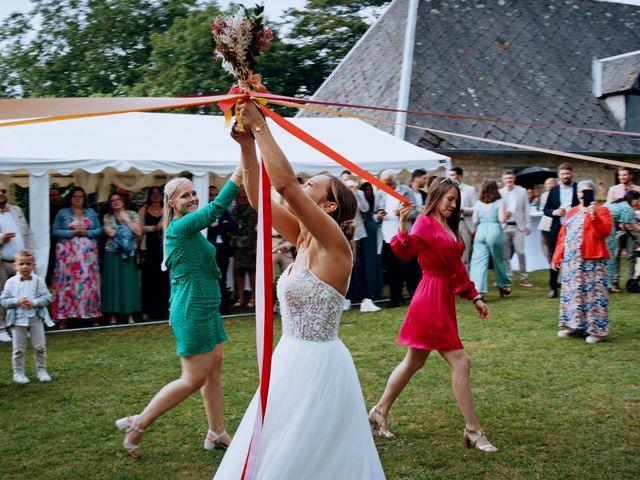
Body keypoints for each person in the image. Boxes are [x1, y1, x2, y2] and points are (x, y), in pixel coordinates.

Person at [213, 100, 385, 479]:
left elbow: (285, 186)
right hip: (289, 357)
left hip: (320, 366)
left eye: (313, 185)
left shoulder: (335, 243)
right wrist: (245, 144)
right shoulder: (304, 237)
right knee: (280, 445)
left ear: (327, 204)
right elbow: (261, 199)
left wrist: (262, 128)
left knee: (309, 454)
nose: (303, 185)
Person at [115, 171, 242, 457]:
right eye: (185, 195)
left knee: (214, 370)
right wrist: (238, 174)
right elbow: (216, 209)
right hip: (192, 310)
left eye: (193, 193)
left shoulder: (188, 230)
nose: (193, 198)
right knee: (193, 378)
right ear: (171, 202)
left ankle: (217, 431)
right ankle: (139, 423)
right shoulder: (180, 228)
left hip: (207, 307)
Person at [368, 177, 496, 453]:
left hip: (441, 297)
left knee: (413, 362)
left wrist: (474, 296)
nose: (453, 204)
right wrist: (403, 224)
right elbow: (404, 251)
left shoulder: (449, 226)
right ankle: (473, 430)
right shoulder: (425, 222)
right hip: (430, 298)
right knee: (461, 362)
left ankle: (379, 411)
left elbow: (457, 268)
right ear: (436, 197)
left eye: (455, 200)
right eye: (449, 198)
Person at [552, 180, 612, 344]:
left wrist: (593, 216)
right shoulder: (571, 212)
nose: (581, 195)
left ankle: (596, 330)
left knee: (594, 296)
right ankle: (574, 325)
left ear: (592, 193)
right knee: (574, 294)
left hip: (593, 261)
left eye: (585, 192)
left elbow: (605, 232)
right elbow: (563, 236)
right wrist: (557, 256)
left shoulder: (602, 210)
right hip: (572, 262)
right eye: (579, 191)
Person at [0, 249, 54, 383]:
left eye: (28, 264)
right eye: (22, 264)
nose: (25, 267)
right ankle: (18, 373)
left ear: (34, 265)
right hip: (18, 320)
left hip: (35, 319)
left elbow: (48, 298)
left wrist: (35, 302)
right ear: (15, 265)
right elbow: (4, 300)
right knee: (18, 349)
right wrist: (17, 301)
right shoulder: (11, 282)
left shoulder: (39, 281)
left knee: (40, 347)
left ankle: (41, 371)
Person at [51, 187, 102, 328]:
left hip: (87, 256)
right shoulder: (63, 213)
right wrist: (72, 232)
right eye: (75, 196)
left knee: (88, 283)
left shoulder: (90, 212)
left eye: (81, 196)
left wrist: (87, 233)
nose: (78, 198)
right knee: (67, 284)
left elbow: (99, 229)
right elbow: (55, 231)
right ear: (70, 198)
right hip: (67, 256)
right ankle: (64, 317)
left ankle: (91, 315)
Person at [376, 169, 417, 308]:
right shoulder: (380, 194)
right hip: (387, 237)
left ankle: (414, 296)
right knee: (391, 269)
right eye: (384, 183)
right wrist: (378, 217)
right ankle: (395, 298)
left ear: (395, 180)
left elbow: (415, 211)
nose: (386, 186)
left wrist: (402, 214)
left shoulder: (406, 191)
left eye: (389, 183)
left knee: (408, 268)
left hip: (404, 236)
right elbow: (373, 213)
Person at [0, 182, 34, 343]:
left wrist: (30, 254)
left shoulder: (16, 210)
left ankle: (20, 326)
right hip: (2, 262)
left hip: (21, 263)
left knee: (23, 293)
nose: (1, 193)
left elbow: (26, 233)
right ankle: (1, 328)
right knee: (3, 295)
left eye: (3, 191)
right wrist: (1, 238)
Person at [102, 192, 142, 325]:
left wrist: (126, 221)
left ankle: (129, 314)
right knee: (113, 283)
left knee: (128, 283)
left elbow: (138, 232)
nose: (115, 202)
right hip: (112, 253)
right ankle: (113, 315)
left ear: (123, 201)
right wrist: (126, 230)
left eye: (117, 199)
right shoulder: (107, 217)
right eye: (112, 200)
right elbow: (110, 233)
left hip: (129, 253)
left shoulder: (132, 214)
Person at [469, 180, 511, 299]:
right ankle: (503, 286)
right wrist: (507, 215)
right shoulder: (500, 202)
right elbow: (502, 219)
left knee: (479, 262)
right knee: (498, 260)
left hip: (481, 231)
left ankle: (481, 292)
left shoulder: (478, 203)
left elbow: (474, 221)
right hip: (495, 231)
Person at [343, 178, 380, 313]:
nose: (351, 188)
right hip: (344, 236)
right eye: (349, 187)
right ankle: (348, 299)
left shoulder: (358, 195)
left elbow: (365, 208)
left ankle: (364, 300)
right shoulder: (339, 197)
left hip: (357, 235)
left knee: (359, 267)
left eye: (353, 186)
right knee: (348, 268)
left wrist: (358, 196)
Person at [544, 163, 579, 298]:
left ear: (571, 174)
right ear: (559, 175)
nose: (566, 176)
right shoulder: (553, 191)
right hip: (557, 228)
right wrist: (554, 212)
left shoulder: (577, 188)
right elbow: (546, 210)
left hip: (574, 228)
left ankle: (572, 286)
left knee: (574, 257)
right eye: (563, 174)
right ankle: (553, 288)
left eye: (568, 173)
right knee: (554, 258)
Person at [138, 186, 170, 320]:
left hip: (163, 250)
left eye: (158, 193)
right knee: (148, 281)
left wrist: (164, 227)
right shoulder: (143, 210)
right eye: (153, 193)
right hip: (148, 249)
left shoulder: (167, 210)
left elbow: (173, 227)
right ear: (149, 196)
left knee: (163, 280)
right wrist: (153, 228)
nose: (155, 195)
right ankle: (147, 311)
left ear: (162, 196)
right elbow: (138, 229)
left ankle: (163, 310)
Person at [499, 170, 532, 287]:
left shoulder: (522, 191)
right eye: (506, 178)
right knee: (505, 254)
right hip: (504, 226)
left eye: (511, 178)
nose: (509, 180)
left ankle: (524, 277)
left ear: (514, 179)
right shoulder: (499, 193)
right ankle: (509, 277)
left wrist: (528, 225)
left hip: (518, 227)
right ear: (503, 180)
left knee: (521, 252)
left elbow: (526, 209)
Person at [207, 185, 236, 315]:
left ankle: (223, 307)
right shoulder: (205, 210)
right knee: (210, 278)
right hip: (209, 249)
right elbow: (207, 229)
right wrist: (221, 225)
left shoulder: (222, 209)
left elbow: (232, 225)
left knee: (222, 278)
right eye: (211, 195)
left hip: (223, 249)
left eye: (216, 195)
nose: (214, 197)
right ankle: (211, 307)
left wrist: (217, 225)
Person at [604, 190, 640, 292]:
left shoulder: (620, 203)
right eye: (636, 199)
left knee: (607, 257)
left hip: (603, 226)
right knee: (611, 258)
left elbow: (625, 224)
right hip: (607, 228)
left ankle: (606, 283)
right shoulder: (627, 208)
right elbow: (631, 226)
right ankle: (609, 285)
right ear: (631, 199)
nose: (638, 202)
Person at [230, 188, 258, 308]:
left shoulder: (254, 210)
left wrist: (256, 246)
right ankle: (240, 298)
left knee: (252, 273)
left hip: (251, 245)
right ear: (236, 199)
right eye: (240, 198)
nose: (242, 200)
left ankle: (253, 298)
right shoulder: (234, 210)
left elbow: (258, 230)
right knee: (239, 272)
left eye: (245, 197)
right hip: (238, 246)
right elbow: (231, 227)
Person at [360, 182, 384, 303]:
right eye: (366, 190)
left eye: (370, 190)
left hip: (374, 235)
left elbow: (377, 216)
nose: (368, 192)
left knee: (375, 263)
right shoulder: (359, 201)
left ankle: (376, 290)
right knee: (366, 264)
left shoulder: (375, 202)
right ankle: (368, 291)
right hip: (363, 237)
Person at [449, 167, 477, 271]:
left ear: (460, 176)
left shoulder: (470, 190)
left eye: (453, 175)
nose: (450, 177)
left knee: (464, 253)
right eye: (450, 175)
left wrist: (463, 210)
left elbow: (476, 208)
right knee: (451, 252)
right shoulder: (447, 189)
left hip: (464, 224)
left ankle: (465, 281)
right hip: (450, 224)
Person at [538, 177, 558, 261]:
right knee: (543, 242)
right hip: (544, 222)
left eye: (549, 183)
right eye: (546, 183)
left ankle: (554, 259)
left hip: (552, 222)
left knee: (552, 243)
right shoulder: (543, 195)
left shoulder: (557, 194)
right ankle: (550, 259)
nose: (547, 185)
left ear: (554, 184)